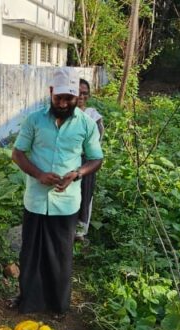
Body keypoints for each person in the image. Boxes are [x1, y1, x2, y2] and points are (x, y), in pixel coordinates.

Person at [11, 69, 104, 317]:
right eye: (58, 98)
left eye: (68, 99)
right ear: (51, 93)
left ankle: (57, 306)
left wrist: (77, 174)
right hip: (36, 199)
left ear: (77, 97)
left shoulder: (86, 124)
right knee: (31, 253)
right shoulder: (34, 120)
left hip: (66, 202)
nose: (62, 104)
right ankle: (29, 301)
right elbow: (18, 154)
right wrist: (39, 174)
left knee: (60, 256)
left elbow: (96, 158)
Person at [77, 78, 105, 238]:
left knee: (85, 194)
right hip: (66, 161)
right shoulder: (63, 114)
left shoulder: (93, 116)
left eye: (85, 93)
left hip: (87, 162)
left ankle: (80, 231)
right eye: (78, 92)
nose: (81, 96)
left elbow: (98, 140)